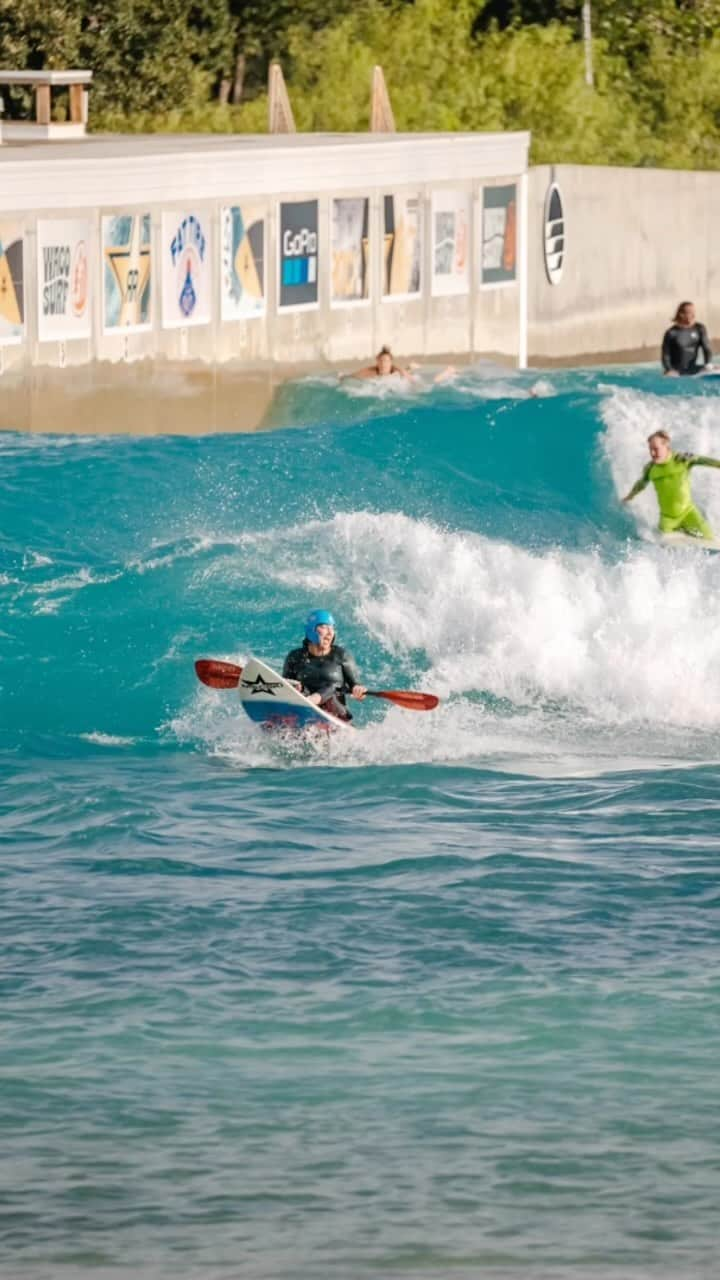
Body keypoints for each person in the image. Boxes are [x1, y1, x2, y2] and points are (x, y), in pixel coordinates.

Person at [622, 429, 720, 539]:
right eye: (650, 450)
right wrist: (629, 496)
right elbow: (641, 484)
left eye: (656, 449)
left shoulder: (682, 459)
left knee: (710, 538)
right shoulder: (650, 468)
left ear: (666, 445)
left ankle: (686, 528)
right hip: (667, 519)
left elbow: (703, 460)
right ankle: (682, 529)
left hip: (689, 512)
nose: (652, 453)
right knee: (661, 541)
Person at [283, 609, 366, 721]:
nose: (330, 632)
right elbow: (284, 686)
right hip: (306, 710)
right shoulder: (295, 657)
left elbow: (355, 684)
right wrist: (295, 687)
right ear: (311, 630)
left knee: (332, 688)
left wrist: (358, 689)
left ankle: (311, 702)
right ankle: (308, 704)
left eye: (331, 628)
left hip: (336, 714)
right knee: (300, 687)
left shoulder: (341, 655)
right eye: (324, 627)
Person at [661, 302, 712, 376]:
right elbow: (665, 355)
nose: (693, 315)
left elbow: (707, 348)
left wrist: (708, 364)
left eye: (694, 312)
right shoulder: (671, 333)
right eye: (690, 313)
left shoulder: (699, 328)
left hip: (693, 369)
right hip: (676, 371)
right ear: (681, 315)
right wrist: (669, 369)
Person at [343, 345, 413, 381]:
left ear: (390, 363)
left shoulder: (396, 371)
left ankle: (410, 367)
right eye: (381, 361)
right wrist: (345, 377)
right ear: (377, 362)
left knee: (407, 369)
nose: (383, 364)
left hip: (403, 371)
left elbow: (409, 379)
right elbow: (356, 375)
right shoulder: (373, 370)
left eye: (386, 361)